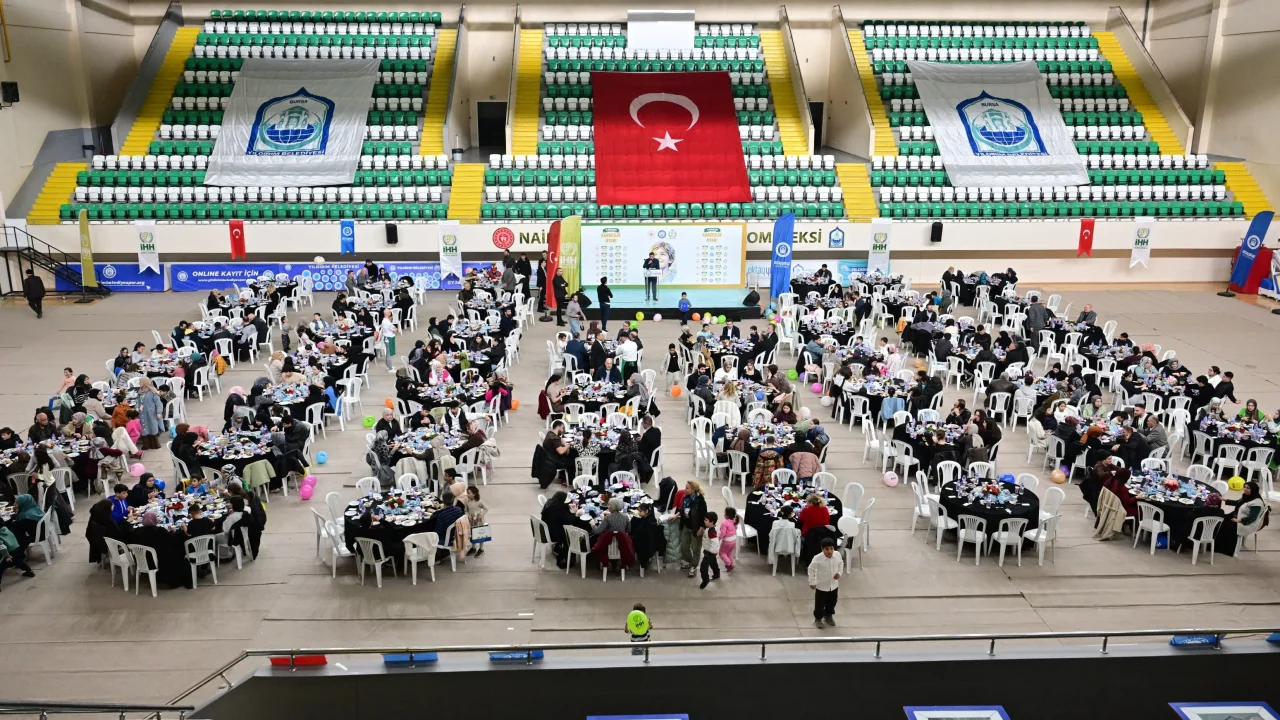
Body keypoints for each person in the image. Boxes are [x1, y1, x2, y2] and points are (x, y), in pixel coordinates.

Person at [541, 491, 591, 568]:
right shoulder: (558, 509)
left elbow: (561, 512)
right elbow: (569, 520)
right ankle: (565, 557)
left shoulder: (550, 503)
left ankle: (558, 547)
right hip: (552, 534)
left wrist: (568, 506)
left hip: (546, 529)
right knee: (570, 535)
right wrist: (574, 513)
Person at [807, 538, 842, 628]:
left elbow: (841, 564)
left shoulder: (837, 555)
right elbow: (811, 569)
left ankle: (828, 616)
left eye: (831, 548)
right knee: (820, 604)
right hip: (821, 586)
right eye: (827, 549)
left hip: (833, 585)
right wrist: (812, 582)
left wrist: (839, 573)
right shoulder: (817, 558)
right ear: (822, 549)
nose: (829, 551)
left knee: (832, 602)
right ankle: (818, 619)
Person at [697, 510, 720, 589]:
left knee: (703, 567)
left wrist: (712, 551)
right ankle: (716, 574)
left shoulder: (711, 531)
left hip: (710, 552)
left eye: (706, 520)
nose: (704, 521)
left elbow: (716, 542)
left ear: (711, 522)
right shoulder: (708, 529)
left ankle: (705, 580)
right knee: (713, 563)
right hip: (710, 551)